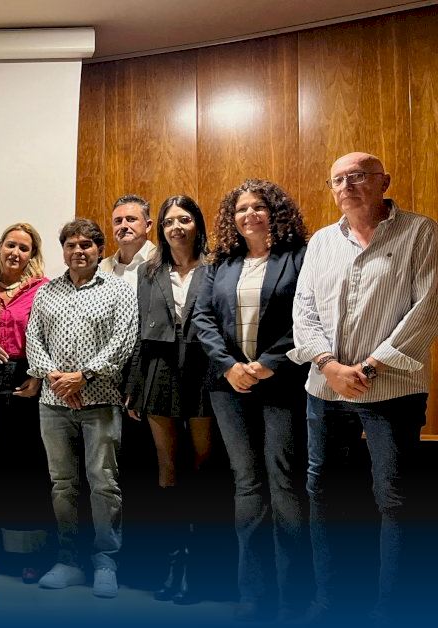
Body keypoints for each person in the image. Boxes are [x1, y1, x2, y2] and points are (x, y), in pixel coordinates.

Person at [289, 152, 438, 623]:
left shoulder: (420, 232)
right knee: (324, 494)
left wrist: (370, 367)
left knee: (394, 499)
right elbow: (303, 309)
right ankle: (332, 602)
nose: (347, 186)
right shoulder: (321, 242)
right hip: (325, 390)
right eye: (338, 179)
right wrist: (329, 364)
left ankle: (392, 610)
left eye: (357, 176)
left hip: (392, 390)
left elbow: (428, 307)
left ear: (383, 182)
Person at [193, 179, 310, 621]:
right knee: (247, 483)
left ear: (274, 212)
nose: (249, 215)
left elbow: (307, 317)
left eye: (258, 206)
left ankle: (293, 595)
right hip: (228, 386)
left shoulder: (299, 257)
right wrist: (229, 366)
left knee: (284, 482)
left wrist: (267, 364)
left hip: (281, 383)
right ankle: (254, 594)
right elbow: (203, 318)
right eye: (241, 209)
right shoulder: (221, 263)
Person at [25, 218, 137, 598]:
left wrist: (83, 377)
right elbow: (33, 340)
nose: (78, 251)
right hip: (53, 403)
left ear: (99, 250)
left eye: (86, 244)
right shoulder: (47, 292)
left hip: (101, 401)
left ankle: (106, 562)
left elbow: (123, 341)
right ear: (63, 251)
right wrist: (57, 379)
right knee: (62, 484)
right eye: (71, 245)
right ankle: (68, 561)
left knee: (103, 483)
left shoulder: (118, 290)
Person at [124, 196, 213, 604]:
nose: (176, 226)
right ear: (160, 228)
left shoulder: (216, 267)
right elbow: (140, 332)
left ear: (197, 224)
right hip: (158, 373)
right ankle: (173, 564)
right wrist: (134, 384)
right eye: (169, 221)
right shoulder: (149, 271)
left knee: (202, 469)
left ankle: (198, 567)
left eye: (184, 219)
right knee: (168, 472)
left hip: (204, 371)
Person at [0, 223, 50, 582]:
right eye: (11, 245)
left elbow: (51, 335)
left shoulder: (43, 288)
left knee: (24, 467)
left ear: (32, 255)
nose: (16, 253)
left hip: (26, 379)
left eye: (24, 248)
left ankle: (28, 553)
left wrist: (38, 375)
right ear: (0, 247)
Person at [100, 195, 157, 290]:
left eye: (131, 219)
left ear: (147, 225)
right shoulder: (101, 268)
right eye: (118, 221)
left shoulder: (164, 261)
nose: (123, 226)